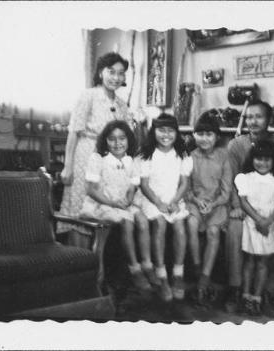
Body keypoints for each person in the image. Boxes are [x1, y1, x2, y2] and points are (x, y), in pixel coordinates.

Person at [225, 99, 274, 316]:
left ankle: (266, 291)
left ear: (269, 119)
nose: (253, 121)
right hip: (245, 208)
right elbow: (232, 181)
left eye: (258, 116)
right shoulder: (236, 145)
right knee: (235, 229)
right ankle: (236, 289)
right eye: (249, 117)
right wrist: (237, 207)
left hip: (273, 209)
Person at [58, 52, 135, 246]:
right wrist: (68, 166)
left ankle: (97, 264)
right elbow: (74, 132)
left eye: (120, 73)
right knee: (80, 208)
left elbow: (126, 136)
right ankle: (77, 261)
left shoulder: (121, 105)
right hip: (86, 154)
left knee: (102, 207)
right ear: (101, 72)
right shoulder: (89, 96)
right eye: (111, 72)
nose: (116, 78)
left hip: (108, 161)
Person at [78, 120, 159, 292]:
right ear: (105, 141)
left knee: (142, 221)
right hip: (103, 202)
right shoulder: (98, 158)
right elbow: (91, 190)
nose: (117, 143)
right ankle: (133, 268)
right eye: (112, 139)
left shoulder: (132, 160)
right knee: (126, 224)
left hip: (124, 203)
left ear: (129, 140)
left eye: (122, 138)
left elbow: (132, 187)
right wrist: (113, 203)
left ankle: (147, 265)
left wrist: (128, 200)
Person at [138, 113, 192, 302]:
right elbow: (144, 185)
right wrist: (159, 203)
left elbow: (184, 183)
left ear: (177, 133)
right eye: (161, 130)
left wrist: (175, 201)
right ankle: (161, 275)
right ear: (154, 131)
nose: (166, 135)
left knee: (180, 228)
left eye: (170, 131)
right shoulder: (146, 154)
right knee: (160, 224)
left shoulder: (182, 155)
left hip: (174, 199)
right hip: (152, 200)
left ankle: (178, 273)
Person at [234, 140, 274, 316]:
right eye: (259, 159)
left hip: (270, 223)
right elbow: (243, 202)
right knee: (249, 261)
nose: (262, 163)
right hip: (252, 222)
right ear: (252, 159)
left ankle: (257, 298)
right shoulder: (245, 178)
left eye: (267, 160)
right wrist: (258, 219)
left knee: (262, 262)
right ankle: (245, 297)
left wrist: (267, 221)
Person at [186, 113, 232, 307]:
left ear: (217, 137)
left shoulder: (224, 156)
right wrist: (196, 201)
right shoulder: (190, 157)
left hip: (217, 204)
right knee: (191, 223)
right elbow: (186, 188)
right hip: (195, 202)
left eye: (209, 134)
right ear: (194, 136)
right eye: (200, 134)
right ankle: (197, 268)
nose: (204, 138)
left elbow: (226, 191)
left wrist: (212, 204)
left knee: (213, 232)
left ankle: (204, 280)